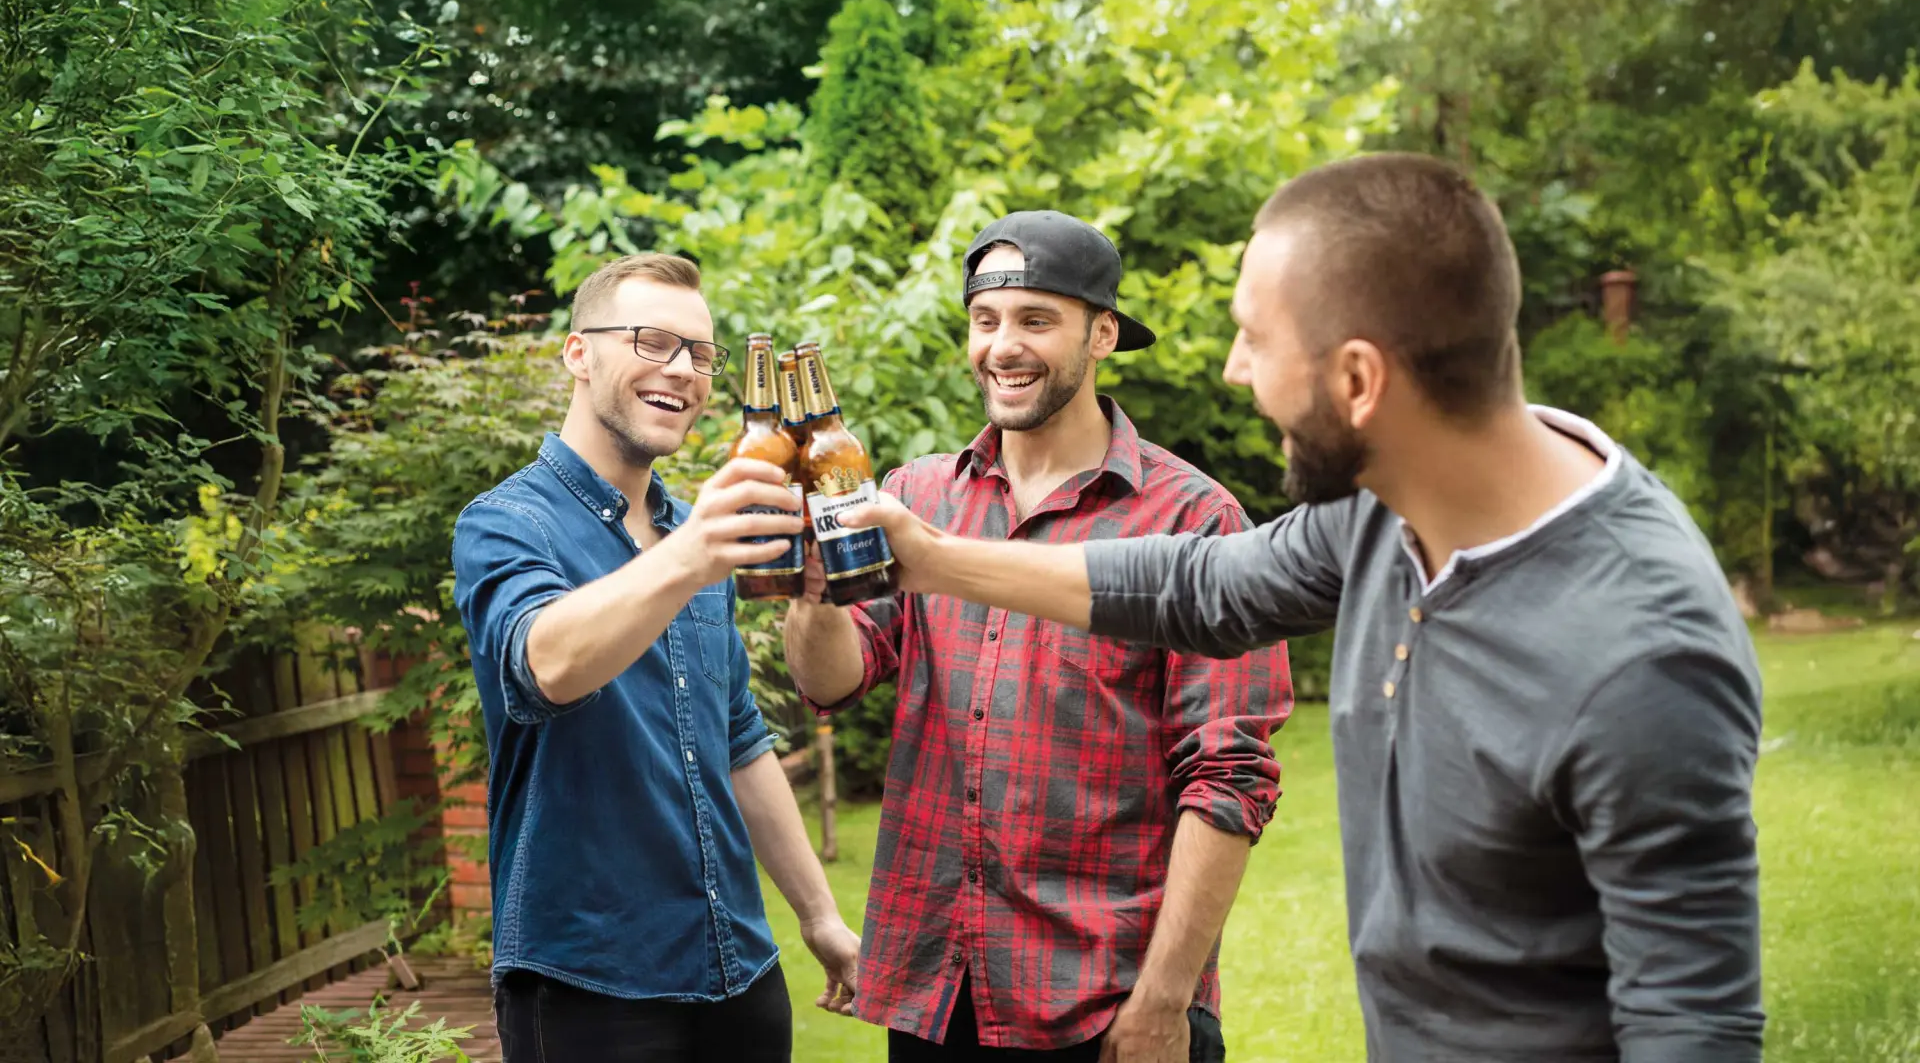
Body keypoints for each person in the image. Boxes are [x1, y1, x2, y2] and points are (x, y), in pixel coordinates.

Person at [843, 156, 1766, 1063]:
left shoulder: (1640, 657)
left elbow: (1694, 1025)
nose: (1237, 371)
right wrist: (930, 561)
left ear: (1360, 380)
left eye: (1257, 338)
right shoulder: (1384, 512)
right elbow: (1198, 587)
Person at [784, 212, 1293, 1063]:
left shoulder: (1194, 520)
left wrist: (1165, 1000)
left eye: (1034, 321)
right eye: (985, 322)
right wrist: (812, 598)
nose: (1003, 347)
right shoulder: (919, 497)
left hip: (1103, 999)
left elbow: (1228, 777)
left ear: (1102, 335)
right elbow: (836, 679)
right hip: (937, 992)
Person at [451, 253, 862, 1063]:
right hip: (588, 985)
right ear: (579, 353)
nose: (683, 369)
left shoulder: (693, 535)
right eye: (651, 341)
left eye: (699, 353)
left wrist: (818, 917)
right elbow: (546, 666)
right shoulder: (507, 524)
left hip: (739, 975)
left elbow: (738, 740)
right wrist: (691, 559)